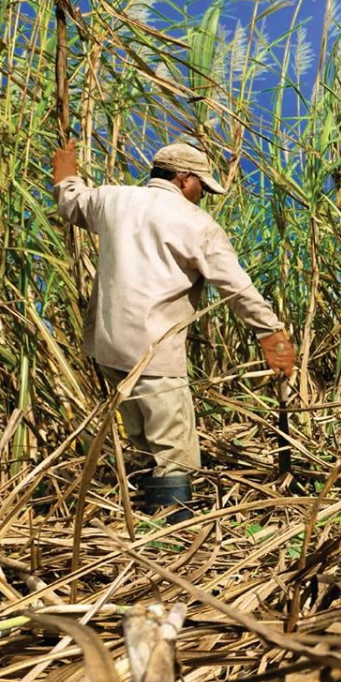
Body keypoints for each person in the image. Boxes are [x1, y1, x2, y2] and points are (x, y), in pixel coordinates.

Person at [50, 139, 297, 521]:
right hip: (154, 352)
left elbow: (72, 201)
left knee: (143, 441)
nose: (203, 196)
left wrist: (65, 169)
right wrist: (271, 334)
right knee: (175, 453)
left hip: (108, 348)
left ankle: (147, 523)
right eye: (201, 186)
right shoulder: (196, 223)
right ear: (184, 180)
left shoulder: (112, 200)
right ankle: (175, 539)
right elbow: (236, 287)